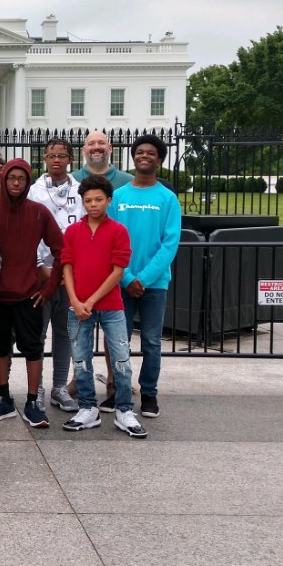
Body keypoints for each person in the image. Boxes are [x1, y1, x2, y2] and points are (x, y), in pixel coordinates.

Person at [60, 175, 146, 438]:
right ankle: (88, 408)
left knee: (121, 359)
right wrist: (75, 301)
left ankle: (124, 410)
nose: (93, 205)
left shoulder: (118, 231)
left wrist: (91, 300)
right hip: (78, 306)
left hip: (111, 305)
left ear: (109, 200)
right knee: (81, 359)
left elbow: (118, 271)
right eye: (88, 200)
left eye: (98, 199)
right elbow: (67, 267)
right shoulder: (72, 232)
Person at [0, 159, 63, 428]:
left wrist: (49, 288)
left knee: (33, 349)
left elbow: (61, 251)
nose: (16, 183)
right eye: (11, 178)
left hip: (29, 295)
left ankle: (32, 403)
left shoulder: (39, 213)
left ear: (28, 182)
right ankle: (4, 399)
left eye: (21, 178)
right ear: (3, 180)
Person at [107, 134, 181, 418]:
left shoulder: (168, 199)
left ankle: (149, 393)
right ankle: (120, 391)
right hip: (121, 281)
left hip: (155, 284)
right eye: (140, 152)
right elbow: (110, 241)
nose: (144, 156)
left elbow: (170, 244)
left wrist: (144, 278)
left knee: (151, 341)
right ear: (133, 157)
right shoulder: (119, 197)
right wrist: (127, 278)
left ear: (159, 160)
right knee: (119, 341)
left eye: (151, 153)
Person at [27, 138, 85, 413]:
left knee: (65, 333)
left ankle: (59, 387)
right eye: (52, 156)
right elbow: (28, 234)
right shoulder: (33, 191)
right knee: (37, 334)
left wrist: (68, 271)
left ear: (71, 159)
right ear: (45, 159)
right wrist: (42, 268)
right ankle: (36, 387)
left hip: (70, 275)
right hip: (41, 274)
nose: (57, 160)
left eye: (62, 155)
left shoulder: (81, 190)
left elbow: (85, 230)